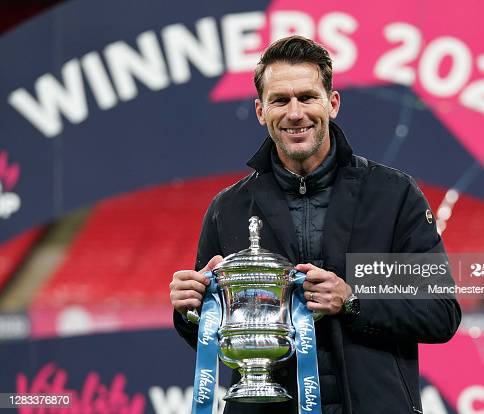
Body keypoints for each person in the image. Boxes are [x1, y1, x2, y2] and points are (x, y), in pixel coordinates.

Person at [169, 35, 461, 414]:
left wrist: (352, 301)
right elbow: (220, 337)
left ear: (332, 103)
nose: (295, 113)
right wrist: (190, 308)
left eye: (307, 97)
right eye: (280, 100)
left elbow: (440, 313)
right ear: (261, 110)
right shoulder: (229, 208)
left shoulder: (392, 194)